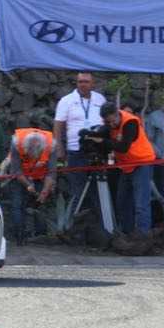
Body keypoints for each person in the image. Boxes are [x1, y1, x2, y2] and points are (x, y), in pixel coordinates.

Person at [91, 103, 156, 236]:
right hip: (126, 165)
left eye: (113, 121)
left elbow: (123, 147)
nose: (111, 125)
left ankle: (143, 235)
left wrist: (101, 141)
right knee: (122, 201)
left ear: (117, 114)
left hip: (142, 162)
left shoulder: (130, 122)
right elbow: (103, 138)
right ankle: (127, 232)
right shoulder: (109, 125)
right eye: (108, 122)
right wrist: (91, 137)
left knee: (141, 203)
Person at [54, 72, 108, 219]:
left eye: (86, 81)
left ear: (93, 84)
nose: (83, 84)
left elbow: (107, 121)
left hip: (98, 151)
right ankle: (73, 223)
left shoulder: (100, 99)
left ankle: (101, 222)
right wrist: (59, 149)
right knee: (77, 189)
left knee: (99, 189)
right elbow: (58, 126)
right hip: (75, 151)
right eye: (80, 81)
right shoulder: (66, 101)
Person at [1, 127, 59, 245]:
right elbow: (16, 170)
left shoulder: (51, 145)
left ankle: (40, 236)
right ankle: (19, 236)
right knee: (17, 205)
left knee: (40, 203)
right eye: (30, 155)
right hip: (20, 175)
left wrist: (44, 192)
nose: (34, 158)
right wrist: (28, 185)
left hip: (40, 175)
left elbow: (52, 172)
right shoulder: (16, 142)